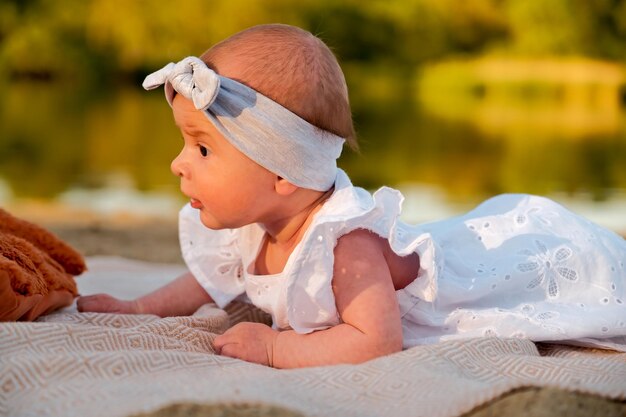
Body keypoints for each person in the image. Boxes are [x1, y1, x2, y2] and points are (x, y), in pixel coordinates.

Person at [78, 24, 626, 368]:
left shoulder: (344, 244)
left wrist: (277, 348)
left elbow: (374, 340)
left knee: (596, 276)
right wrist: (139, 307)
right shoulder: (256, 222)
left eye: (201, 150)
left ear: (281, 174)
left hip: (511, 267)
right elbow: (208, 277)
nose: (177, 164)